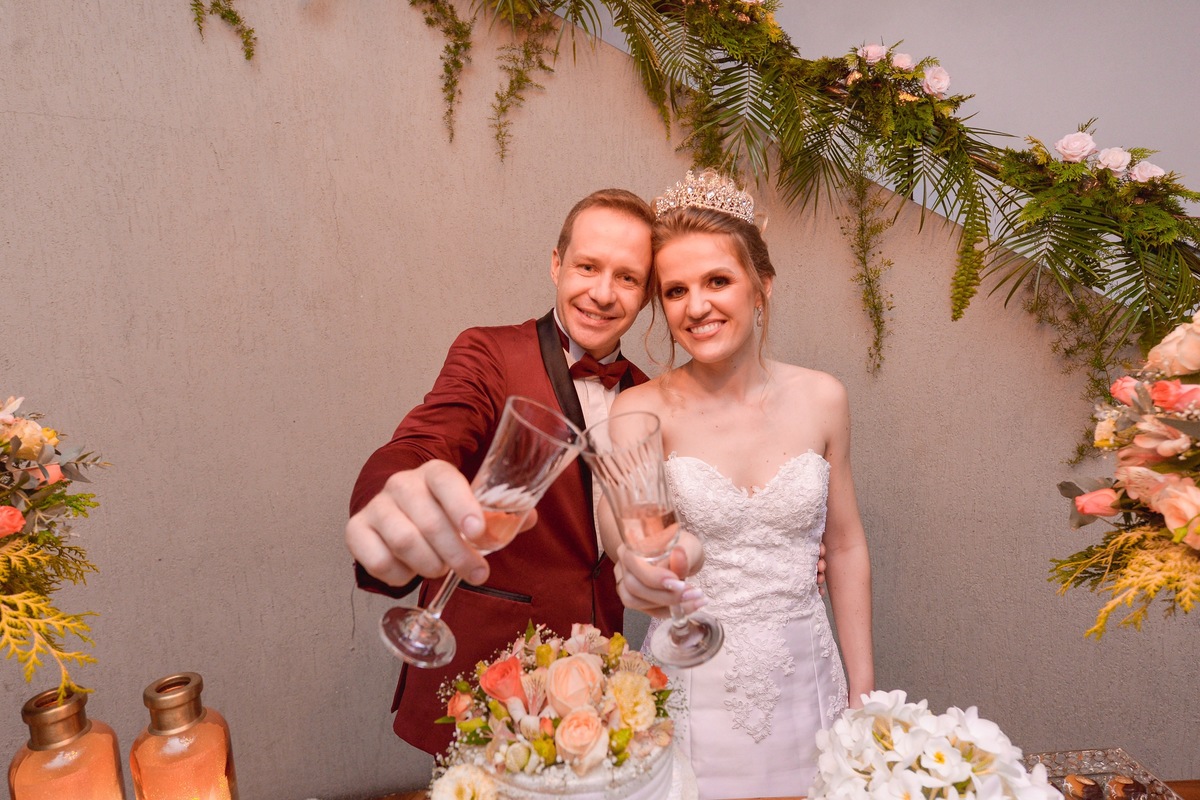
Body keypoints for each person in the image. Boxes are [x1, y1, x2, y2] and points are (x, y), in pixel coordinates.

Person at [344, 188, 706, 754]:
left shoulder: (646, 395)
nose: (602, 293)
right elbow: (420, 446)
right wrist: (387, 497)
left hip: (594, 683)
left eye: (627, 278)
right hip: (485, 671)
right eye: (587, 267)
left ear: (646, 297)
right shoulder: (488, 353)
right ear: (556, 264)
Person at [600, 170, 875, 799]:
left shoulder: (824, 398)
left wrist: (863, 693)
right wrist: (647, 558)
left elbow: (847, 546)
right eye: (675, 291)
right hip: (689, 682)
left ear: (762, 286)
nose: (696, 307)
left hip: (806, 681)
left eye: (717, 281)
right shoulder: (638, 411)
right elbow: (628, 538)